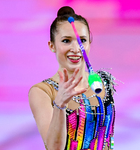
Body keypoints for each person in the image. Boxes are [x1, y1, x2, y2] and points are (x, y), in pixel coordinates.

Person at [29, 6, 116, 150]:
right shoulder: (42, 92)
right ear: (52, 46)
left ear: (89, 43)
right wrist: (60, 105)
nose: (76, 49)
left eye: (82, 40)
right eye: (66, 41)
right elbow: (54, 148)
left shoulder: (104, 81)